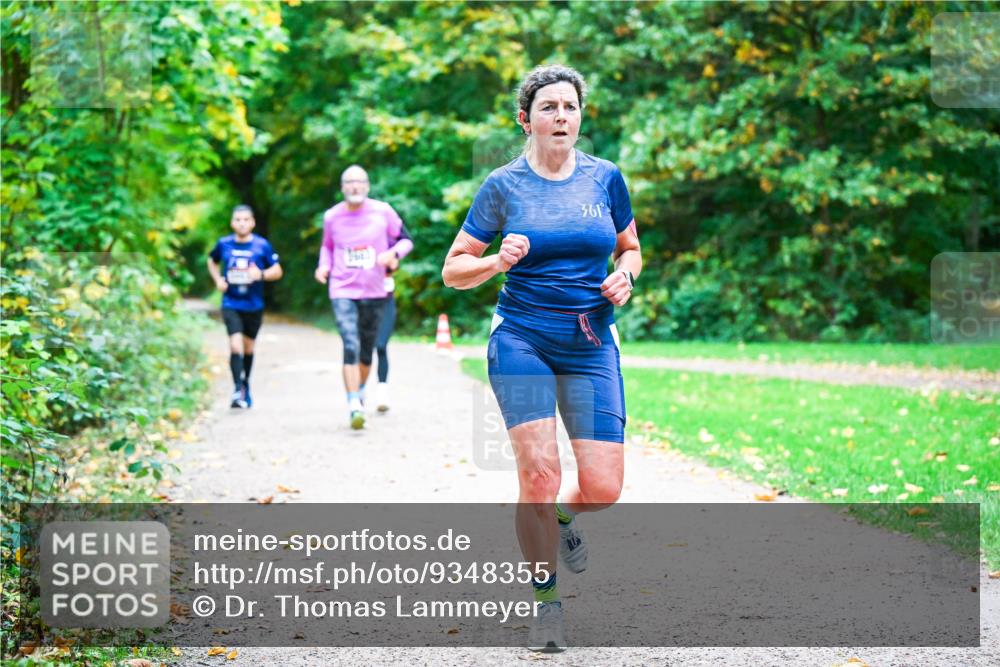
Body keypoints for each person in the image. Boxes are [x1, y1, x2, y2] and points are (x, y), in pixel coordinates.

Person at [441, 64, 641, 652]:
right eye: (549, 107)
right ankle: (546, 601)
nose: (562, 116)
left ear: (581, 117)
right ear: (525, 119)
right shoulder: (503, 186)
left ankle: (561, 520)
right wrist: (497, 262)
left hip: (591, 341)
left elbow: (630, 249)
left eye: (571, 107)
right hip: (521, 339)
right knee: (540, 474)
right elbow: (454, 270)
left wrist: (624, 277)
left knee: (602, 488)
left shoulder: (606, 180)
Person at [315, 165, 413, 429]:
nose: (354, 186)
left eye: (359, 182)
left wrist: (394, 255)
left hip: (375, 290)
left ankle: (358, 390)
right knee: (350, 344)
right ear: (342, 187)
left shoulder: (383, 211)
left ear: (367, 186)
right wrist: (323, 266)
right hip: (342, 289)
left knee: (367, 352)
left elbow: (406, 240)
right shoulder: (332, 217)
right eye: (349, 182)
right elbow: (327, 247)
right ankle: (353, 403)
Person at [207, 205, 283, 409]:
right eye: (238, 220)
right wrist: (218, 281)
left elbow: (277, 270)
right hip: (231, 303)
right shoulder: (223, 244)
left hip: (254, 305)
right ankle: (236, 389)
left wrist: (262, 275)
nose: (241, 223)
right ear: (232, 223)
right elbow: (211, 261)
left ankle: (245, 384)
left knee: (248, 348)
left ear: (252, 222)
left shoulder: (262, 245)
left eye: (245, 219)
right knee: (235, 345)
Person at [371, 223, 413, 413]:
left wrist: (394, 257)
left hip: (385, 299)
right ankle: (358, 393)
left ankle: (382, 391)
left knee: (381, 345)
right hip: (361, 299)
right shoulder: (355, 236)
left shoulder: (390, 234)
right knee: (361, 347)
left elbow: (406, 242)